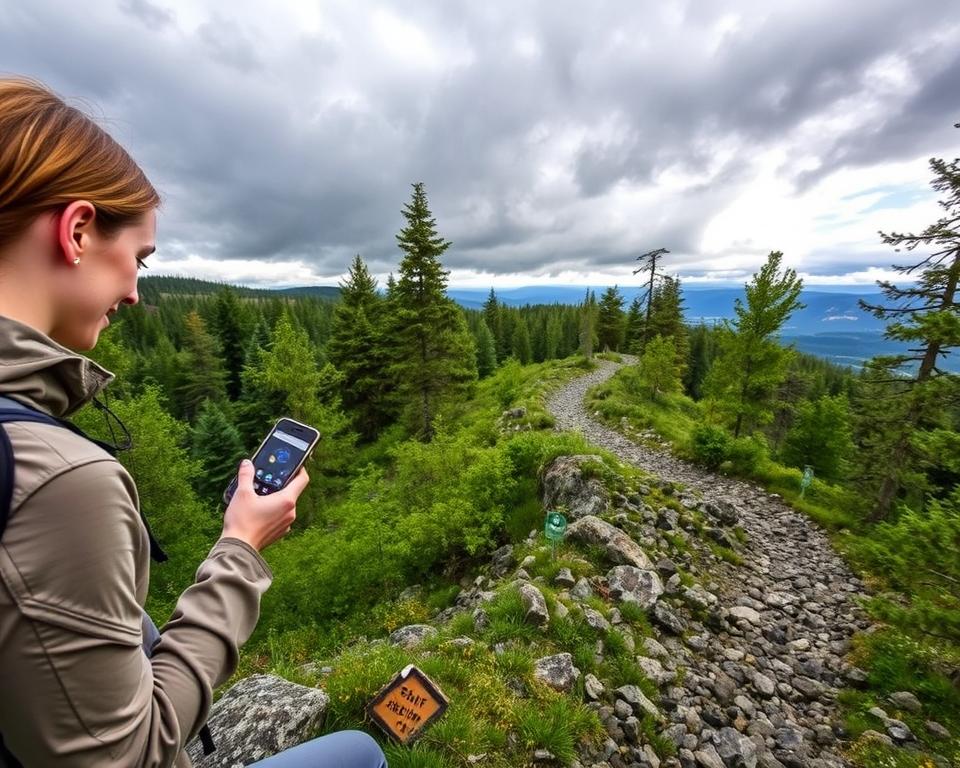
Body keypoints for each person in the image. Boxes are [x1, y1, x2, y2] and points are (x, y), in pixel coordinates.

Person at [0, 78, 387, 768]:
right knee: (359, 753)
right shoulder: (59, 481)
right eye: (139, 260)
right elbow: (133, 754)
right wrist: (241, 545)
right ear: (77, 230)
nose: (136, 291)